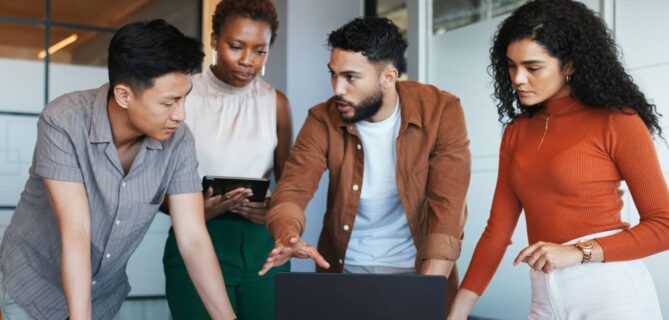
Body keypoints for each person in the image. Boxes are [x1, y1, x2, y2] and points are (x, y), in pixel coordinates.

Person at [0, 20, 236, 320]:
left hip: (101, 297)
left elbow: (193, 238)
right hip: (33, 287)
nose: (181, 114)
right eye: (169, 102)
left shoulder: (178, 141)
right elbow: (77, 229)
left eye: (185, 97)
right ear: (124, 95)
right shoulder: (64, 121)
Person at [448, 1, 669, 319]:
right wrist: (458, 311)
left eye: (533, 67)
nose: (518, 79)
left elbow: (663, 225)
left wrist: (578, 252)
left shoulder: (617, 120)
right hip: (545, 295)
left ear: (569, 65)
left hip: (610, 293)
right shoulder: (517, 132)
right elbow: (497, 231)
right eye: (511, 65)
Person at [258, 16, 471, 311]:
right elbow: (293, 188)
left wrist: (426, 293)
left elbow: (448, 206)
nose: (337, 88)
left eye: (350, 77)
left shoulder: (441, 110)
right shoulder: (322, 119)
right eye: (332, 74)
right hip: (345, 273)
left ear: (389, 77)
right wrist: (287, 233)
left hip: (419, 271)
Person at [161, 1, 292, 319]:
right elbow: (151, 184)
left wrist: (273, 208)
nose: (248, 61)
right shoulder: (184, 97)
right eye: (236, 46)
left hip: (263, 245)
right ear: (214, 40)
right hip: (196, 235)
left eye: (260, 50)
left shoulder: (275, 103)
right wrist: (193, 212)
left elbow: (291, 184)